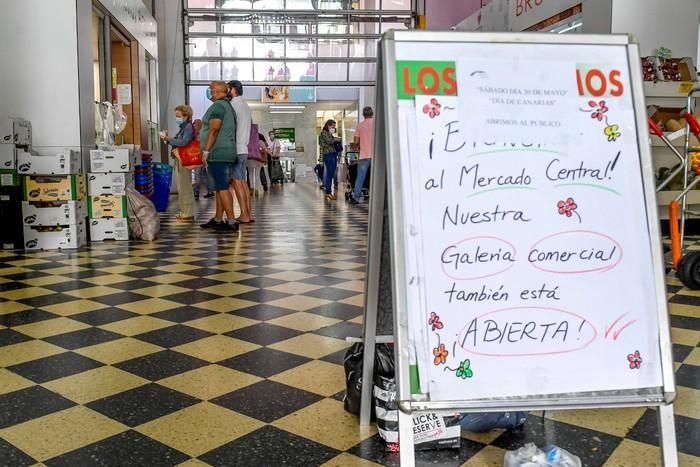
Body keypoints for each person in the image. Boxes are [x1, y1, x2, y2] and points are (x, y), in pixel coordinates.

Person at [199, 80, 239, 232]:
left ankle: (231, 222)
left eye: (211, 88)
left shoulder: (218, 106)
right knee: (220, 187)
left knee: (222, 187)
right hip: (225, 152)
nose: (209, 91)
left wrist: (206, 150)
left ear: (218, 91)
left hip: (218, 153)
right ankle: (218, 219)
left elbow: (214, 129)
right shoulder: (227, 106)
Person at [161, 105, 196, 222]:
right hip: (180, 159)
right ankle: (184, 211)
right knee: (182, 187)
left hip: (184, 159)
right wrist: (167, 139)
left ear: (186, 116)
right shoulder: (184, 127)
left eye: (178, 116)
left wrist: (169, 139)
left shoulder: (188, 127)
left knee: (185, 187)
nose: (177, 118)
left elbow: (184, 142)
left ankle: (187, 213)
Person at [228, 80, 253, 223]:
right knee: (243, 182)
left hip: (236, 149)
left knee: (237, 182)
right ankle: (248, 213)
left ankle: (244, 214)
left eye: (227, 88)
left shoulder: (232, 105)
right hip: (244, 149)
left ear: (233, 90)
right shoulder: (245, 105)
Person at [349, 106, 374, 205]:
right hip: (377, 156)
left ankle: (356, 198)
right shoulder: (377, 124)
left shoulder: (360, 125)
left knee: (360, 178)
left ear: (364, 115)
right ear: (372, 113)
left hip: (364, 156)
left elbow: (355, 141)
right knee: (378, 177)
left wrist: (357, 145)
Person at [191, 119, 213, 200]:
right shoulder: (194, 135)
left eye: (195, 124)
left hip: (202, 158)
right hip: (198, 158)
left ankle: (201, 192)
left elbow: (204, 146)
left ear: (200, 125)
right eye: (194, 125)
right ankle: (201, 191)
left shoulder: (203, 135)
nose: (194, 126)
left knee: (202, 176)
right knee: (201, 175)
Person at [320, 119, 340, 200]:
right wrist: (337, 139)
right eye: (332, 126)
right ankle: (328, 192)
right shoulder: (324, 133)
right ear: (328, 126)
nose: (334, 128)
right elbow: (330, 141)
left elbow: (332, 141)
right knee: (330, 174)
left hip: (332, 154)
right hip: (328, 155)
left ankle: (328, 193)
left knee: (331, 174)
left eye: (334, 126)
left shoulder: (329, 133)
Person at [246, 124, 264, 197]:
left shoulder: (247, 140)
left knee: (250, 174)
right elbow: (264, 149)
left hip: (249, 159)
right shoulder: (259, 141)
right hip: (258, 160)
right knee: (257, 175)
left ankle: (251, 189)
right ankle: (256, 190)